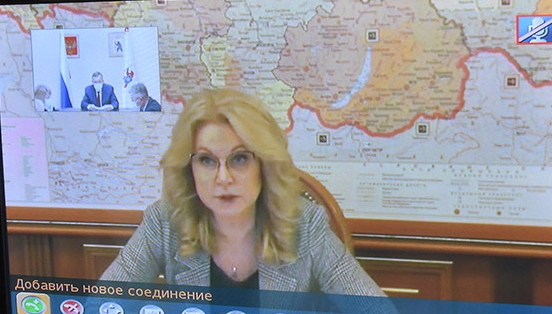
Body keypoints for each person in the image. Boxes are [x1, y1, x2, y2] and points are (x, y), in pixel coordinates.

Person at [101, 88, 382, 296]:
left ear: (264, 165)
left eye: (239, 159)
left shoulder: (306, 225)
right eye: (206, 160)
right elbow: (101, 308)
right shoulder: (164, 222)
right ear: (189, 169)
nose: (224, 178)